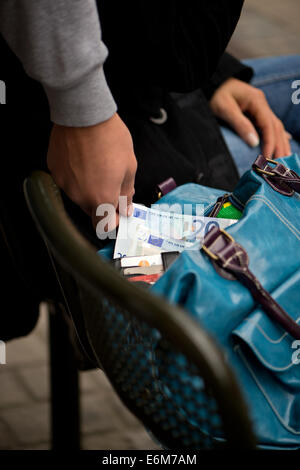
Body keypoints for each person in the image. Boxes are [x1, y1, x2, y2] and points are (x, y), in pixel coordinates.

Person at [0, 1, 299, 341]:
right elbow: (183, 56)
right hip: (136, 145)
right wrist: (81, 106)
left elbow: (148, 36)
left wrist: (217, 77)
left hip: (165, 101)